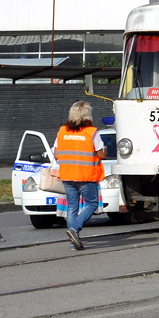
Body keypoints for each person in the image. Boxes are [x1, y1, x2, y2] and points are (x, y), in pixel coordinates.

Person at [53, 101, 106, 250]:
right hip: (85, 176)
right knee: (92, 204)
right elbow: (101, 154)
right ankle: (74, 229)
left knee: (72, 208)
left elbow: (56, 154)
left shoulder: (62, 131)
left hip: (67, 175)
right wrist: (104, 151)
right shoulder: (91, 132)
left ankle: (73, 242)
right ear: (87, 115)